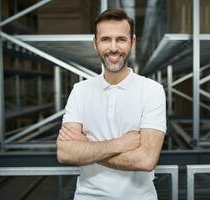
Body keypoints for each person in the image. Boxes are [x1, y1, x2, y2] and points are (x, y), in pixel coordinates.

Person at [56, 8, 166, 200]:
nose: (113, 48)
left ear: (132, 43)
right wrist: (119, 144)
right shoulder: (80, 90)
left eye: (121, 39)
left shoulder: (151, 90)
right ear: (95, 44)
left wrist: (86, 147)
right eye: (105, 39)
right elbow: (65, 152)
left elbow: (147, 160)